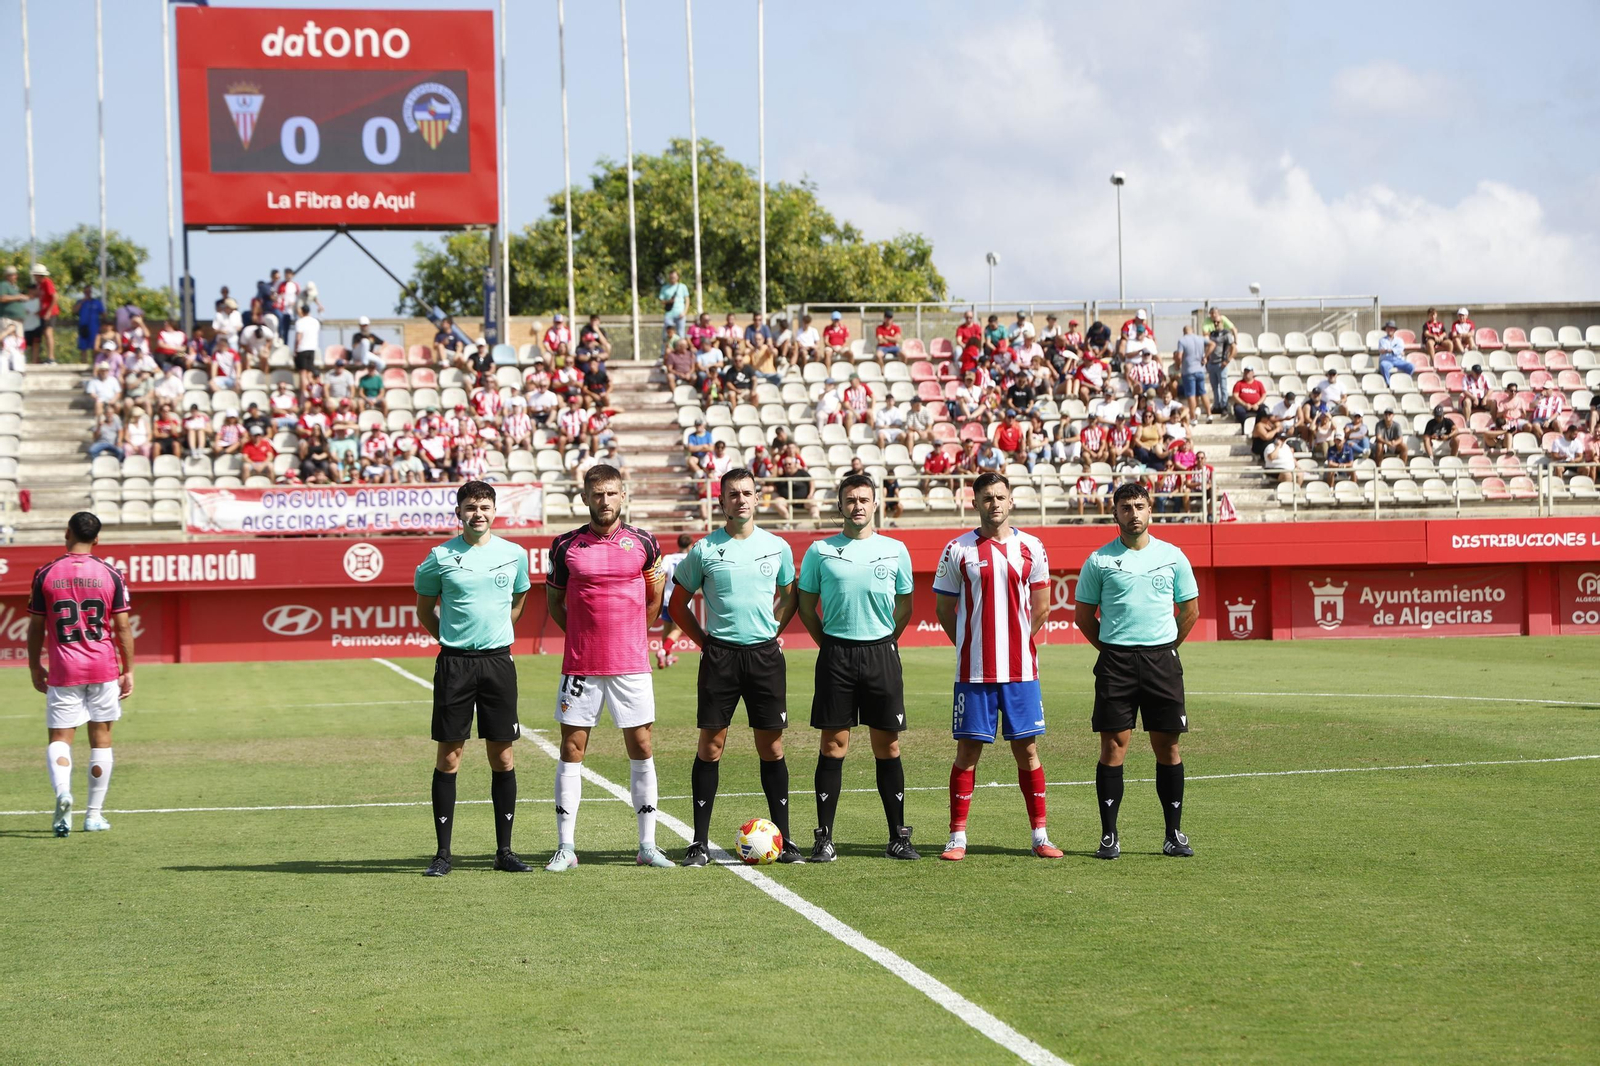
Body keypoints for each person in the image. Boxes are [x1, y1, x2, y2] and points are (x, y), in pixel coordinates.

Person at [668, 468, 803, 866]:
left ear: (757, 498)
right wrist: (705, 642)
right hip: (720, 658)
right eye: (732, 494)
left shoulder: (777, 546)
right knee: (711, 747)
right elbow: (678, 605)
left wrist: (770, 630)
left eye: (747, 493)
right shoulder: (704, 550)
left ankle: (786, 839)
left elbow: (790, 597)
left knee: (772, 747)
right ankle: (698, 842)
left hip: (764, 658)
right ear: (721, 501)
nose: (740, 499)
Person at [542, 466, 671, 871]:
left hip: (631, 665)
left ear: (623, 496)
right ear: (585, 497)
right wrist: (584, 635)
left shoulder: (646, 543)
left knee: (642, 746)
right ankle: (566, 847)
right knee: (571, 749)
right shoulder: (565, 546)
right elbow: (555, 604)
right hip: (581, 664)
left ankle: (647, 845)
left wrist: (632, 633)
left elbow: (654, 599)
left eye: (612, 493)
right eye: (597, 494)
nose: (605, 501)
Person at [932, 472, 1062, 861]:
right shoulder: (957, 548)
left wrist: (1017, 641)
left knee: (1028, 750)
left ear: (1011, 501)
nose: (995, 504)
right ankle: (957, 836)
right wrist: (972, 645)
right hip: (974, 672)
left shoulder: (1033, 547)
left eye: (1000, 496)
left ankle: (1040, 834)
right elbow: (944, 609)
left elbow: (1041, 607)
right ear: (975, 503)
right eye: (987, 498)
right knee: (968, 751)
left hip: (1021, 672)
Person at [1073, 481, 1200, 860]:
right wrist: (1116, 648)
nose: (1133, 513)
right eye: (1125, 507)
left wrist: (1163, 648)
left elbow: (1189, 610)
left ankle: (1173, 834)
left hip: (1162, 662)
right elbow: (1084, 618)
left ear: (1151, 511)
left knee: (1168, 746)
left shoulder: (1173, 556)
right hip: (1116, 663)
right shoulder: (1099, 560)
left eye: (1139, 506)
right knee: (1114, 747)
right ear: (1114, 513)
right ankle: (1109, 836)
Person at [413, 481, 534, 877]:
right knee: (450, 757)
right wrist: (455, 641)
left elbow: (518, 602)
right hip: (455, 665)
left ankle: (505, 851)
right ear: (458, 513)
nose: (477, 513)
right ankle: (442, 854)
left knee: (503, 755)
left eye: (483, 506)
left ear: (494, 510)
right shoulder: (439, 556)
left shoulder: (514, 555)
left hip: (498, 664)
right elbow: (425, 610)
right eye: (469, 507)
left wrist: (495, 634)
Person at [795, 475, 918, 862]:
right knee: (833, 746)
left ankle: (898, 837)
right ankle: (824, 838)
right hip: (836, 656)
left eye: (864, 499)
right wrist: (831, 644)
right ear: (840, 505)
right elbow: (805, 608)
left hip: (882, 654)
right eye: (850, 500)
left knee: (889, 745)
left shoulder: (896, 550)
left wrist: (883, 640)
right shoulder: (819, 551)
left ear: (876, 503)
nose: (858, 506)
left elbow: (905, 607)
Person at [28, 512, 136, 837]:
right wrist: (128, 669)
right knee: (101, 740)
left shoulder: (45, 573)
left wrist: (34, 664)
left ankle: (63, 795)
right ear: (97, 539)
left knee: (60, 739)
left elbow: (35, 627)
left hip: (64, 668)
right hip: (103, 667)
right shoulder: (111, 574)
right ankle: (93, 815)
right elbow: (122, 626)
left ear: (66, 532)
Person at [653, 533, 695, 670]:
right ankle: (663, 651)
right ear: (690, 545)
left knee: (666, 629)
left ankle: (667, 657)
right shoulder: (691, 558)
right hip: (682, 599)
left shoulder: (669, 558)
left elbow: (660, 573)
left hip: (666, 598)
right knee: (677, 629)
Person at [1175, 325, 1207, 422]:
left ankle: (1193, 417)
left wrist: (1178, 365)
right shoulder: (1200, 339)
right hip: (1200, 370)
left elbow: (1179, 356)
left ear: (1184, 331)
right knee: (1203, 393)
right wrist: (1206, 356)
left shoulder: (1182, 340)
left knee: (1191, 395)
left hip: (1189, 371)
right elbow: (1213, 344)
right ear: (1193, 330)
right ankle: (1209, 414)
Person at [292, 303, 321, 393]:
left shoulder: (300, 322)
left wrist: (295, 350)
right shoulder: (315, 322)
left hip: (302, 349)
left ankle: (304, 394)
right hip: (312, 348)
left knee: (303, 374)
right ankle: (310, 392)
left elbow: (298, 338)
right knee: (309, 373)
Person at [659, 269, 690, 350]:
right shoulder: (665, 288)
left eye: (674, 277)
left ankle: (682, 350)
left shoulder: (683, 286)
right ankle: (666, 351)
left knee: (681, 333)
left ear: (677, 277)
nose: (673, 279)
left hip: (680, 314)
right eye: (671, 277)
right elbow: (661, 300)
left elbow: (687, 300)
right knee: (667, 333)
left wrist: (684, 312)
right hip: (669, 314)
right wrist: (669, 301)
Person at [1377, 320, 1414, 384]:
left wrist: (1390, 350)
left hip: (1398, 360)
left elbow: (1400, 349)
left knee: (1411, 366)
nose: (1389, 330)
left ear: (1394, 330)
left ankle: (1404, 382)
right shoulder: (1382, 340)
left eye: (1391, 328)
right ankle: (1388, 384)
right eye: (1388, 328)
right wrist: (1394, 350)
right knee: (1383, 366)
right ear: (1386, 330)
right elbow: (1382, 350)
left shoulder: (1399, 340)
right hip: (1386, 360)